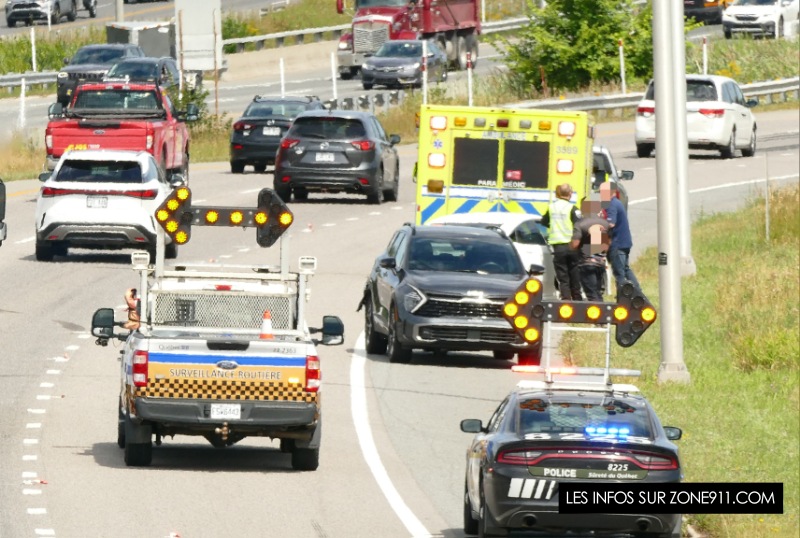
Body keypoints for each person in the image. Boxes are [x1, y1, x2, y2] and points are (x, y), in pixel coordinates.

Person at [540, 183, 582, 300]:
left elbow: (543, 222)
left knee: (562, 275)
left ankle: (566, 299)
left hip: (558, 246)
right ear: (570, 194)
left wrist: (554, 225)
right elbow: (579, 225)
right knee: (574, 273)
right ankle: (577, 299)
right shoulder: (572, 209)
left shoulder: (552, 207)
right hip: (571, 245)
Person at [600, 181, 640, 293]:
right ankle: (638, 292)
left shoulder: (611, 204)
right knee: (625, 269)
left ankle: (622, 296)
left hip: (617, 244)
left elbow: (611, 223)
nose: (601, 195)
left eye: (603, 192)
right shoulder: (617, 202)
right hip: (624, 242)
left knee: (619, 273)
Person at [570, 199, 610, 301]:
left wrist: (570, 247)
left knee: (591, 294)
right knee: (597, 292)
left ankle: (598, 315)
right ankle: (603, 313)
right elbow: (608, 245)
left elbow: (575, 244)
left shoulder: (581, 224)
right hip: (600, 263)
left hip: (586, 263)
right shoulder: (605, 223)